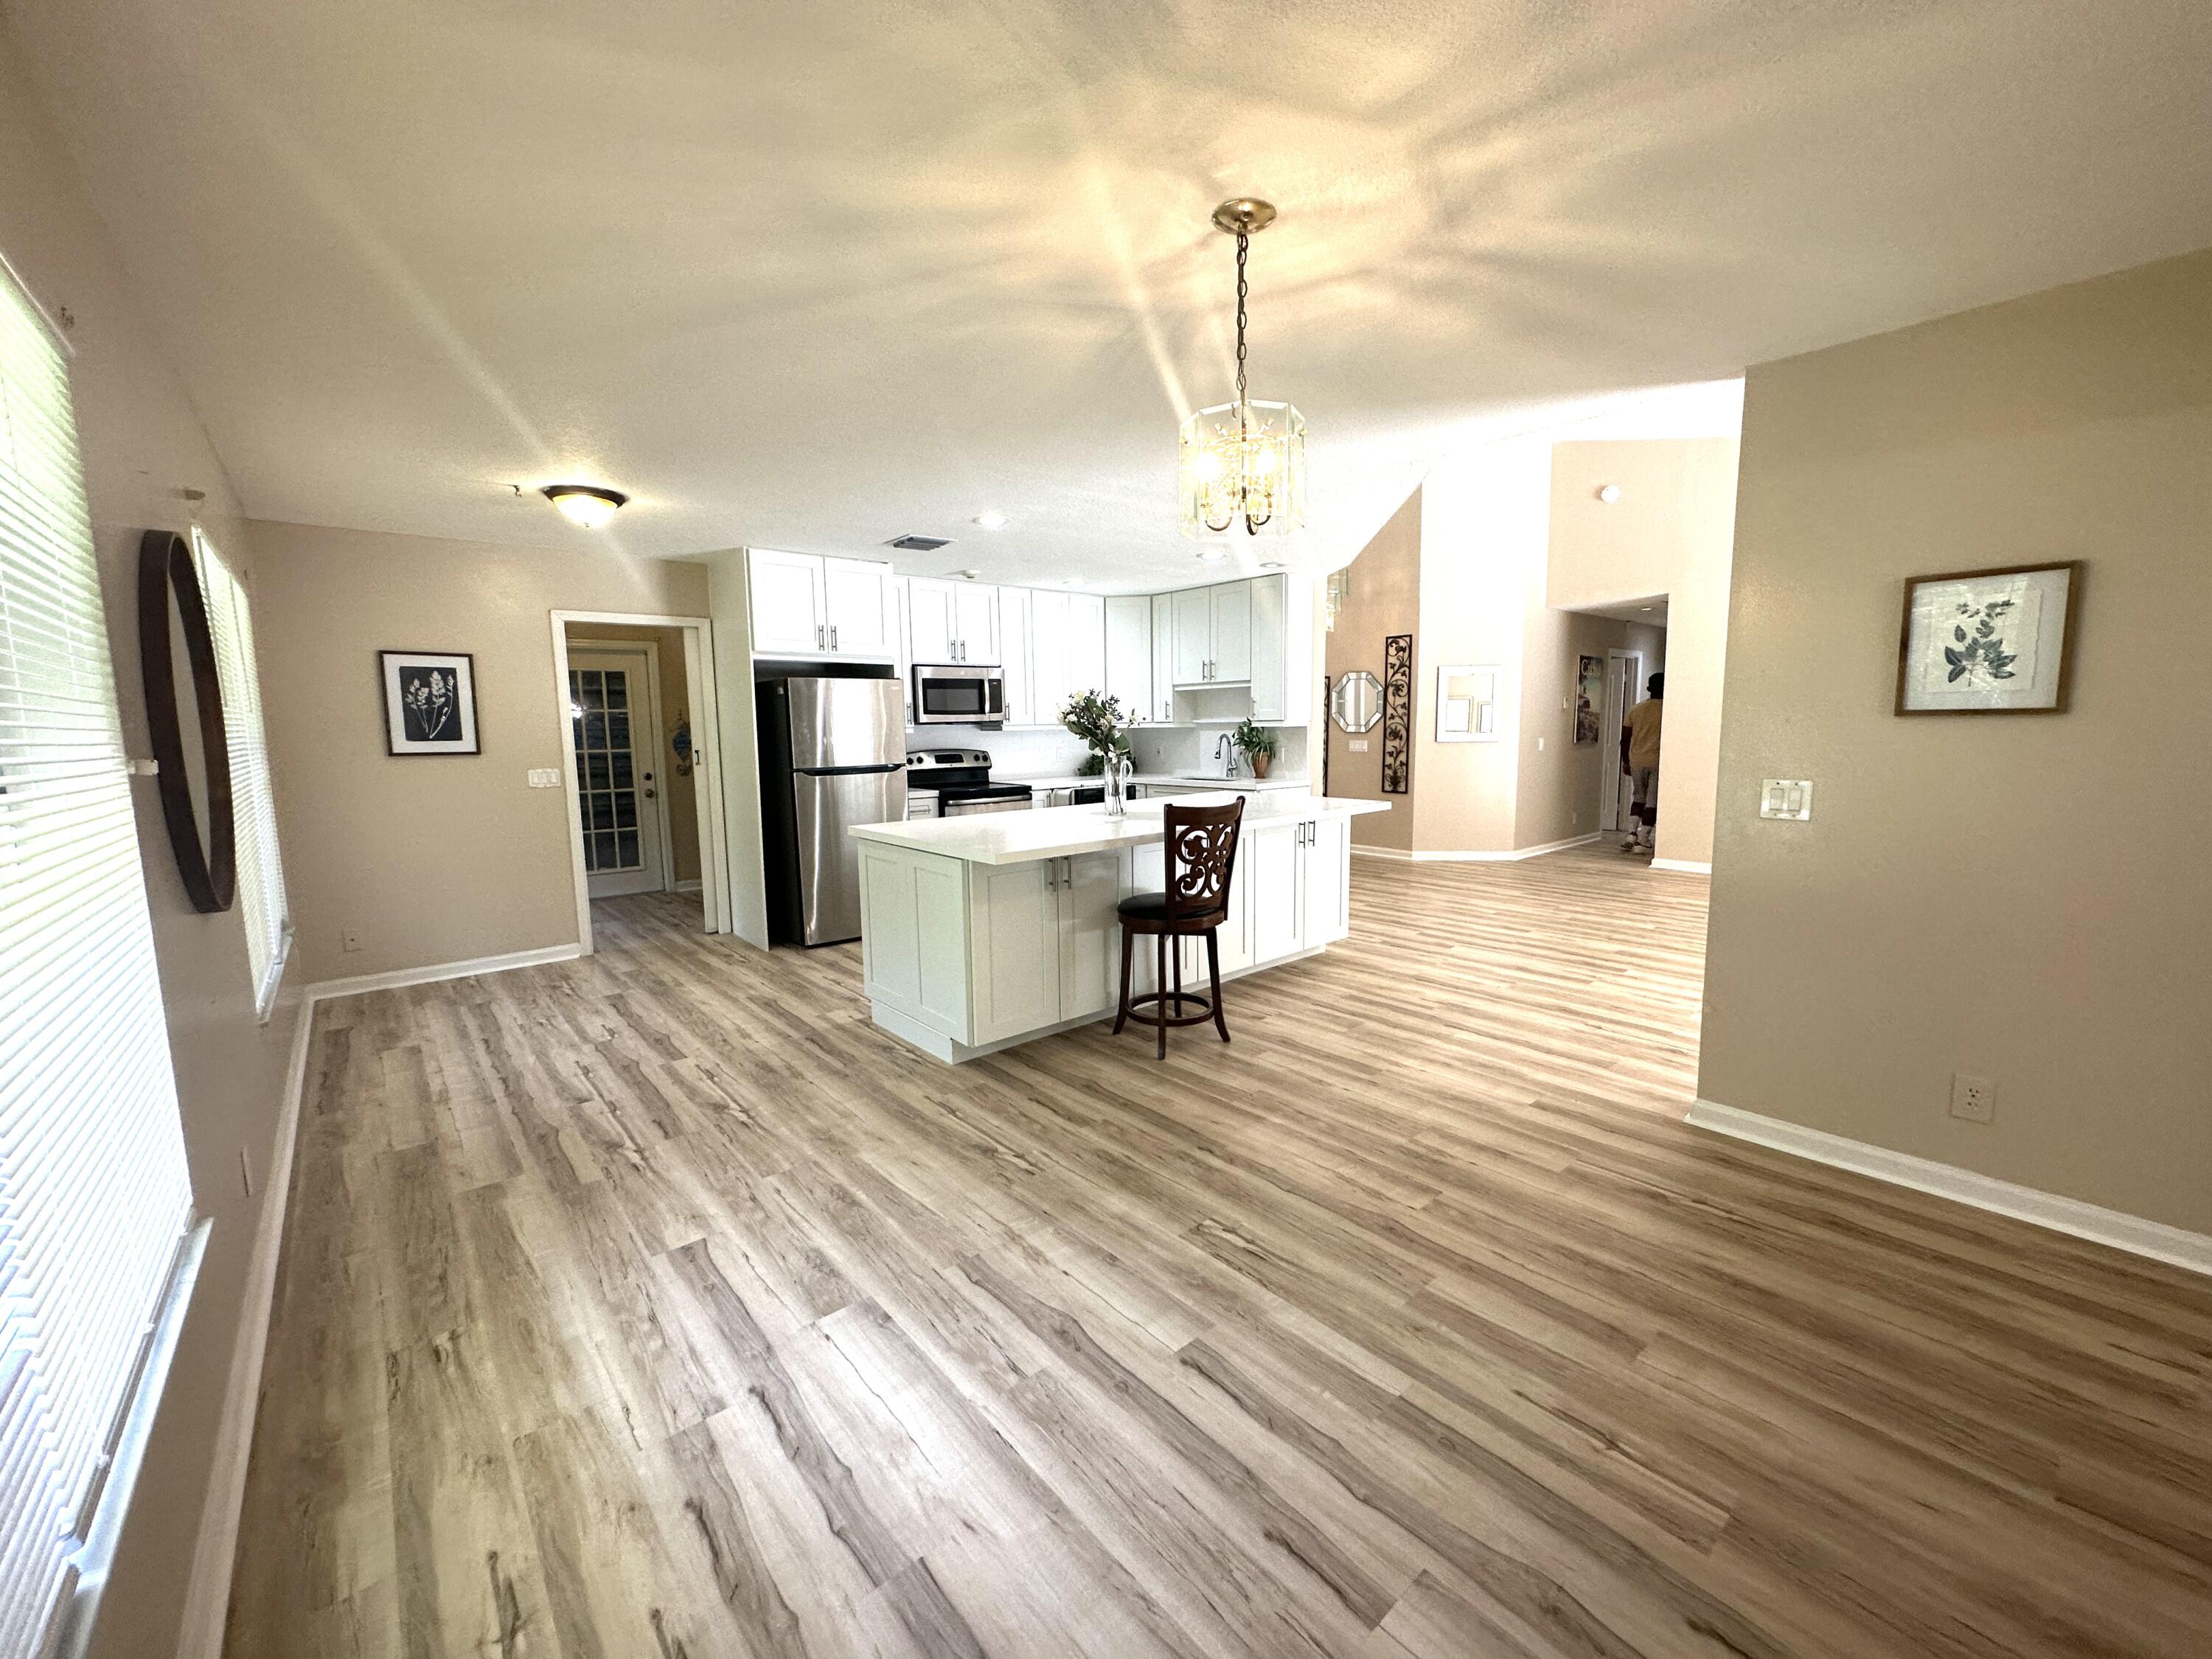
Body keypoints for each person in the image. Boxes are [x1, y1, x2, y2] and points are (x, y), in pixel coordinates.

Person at [1620, 672, 1663, 852]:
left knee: (1638, 797)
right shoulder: (1668, 710)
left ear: (1648, 689)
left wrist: (1626, 761)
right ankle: (1644, 839)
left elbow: (1625, 737)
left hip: (1636, 758)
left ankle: (1631, 833)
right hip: (1657, 759)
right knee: (1652, 801)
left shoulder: (1635, 710)